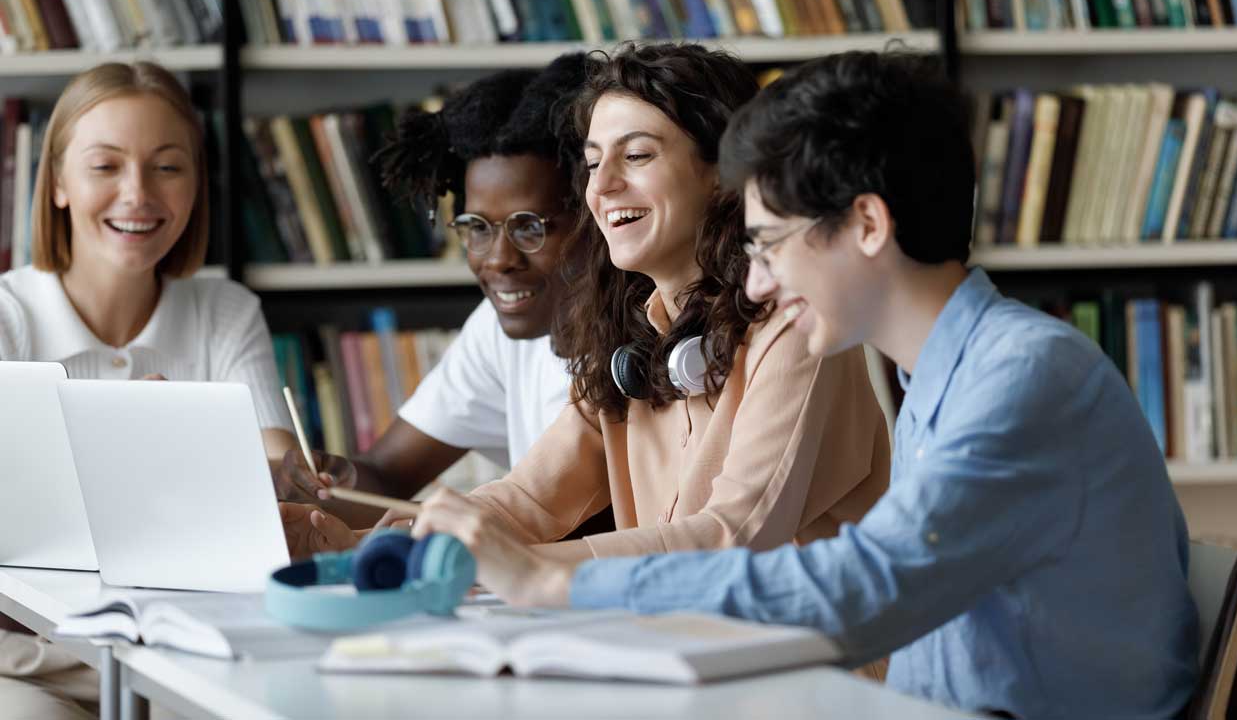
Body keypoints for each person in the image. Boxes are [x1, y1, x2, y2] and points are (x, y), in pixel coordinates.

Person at [407, 51, 1198, 719]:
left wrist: (552, 579)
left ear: (865, 225)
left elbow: (862, 587)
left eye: (770, 244)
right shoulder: (946, 376)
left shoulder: (1021, 377)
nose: (751, 283)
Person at [388, 42, 889, 575]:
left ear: (722, 172)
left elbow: (736, 533)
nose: (602, 187)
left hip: (808, 655)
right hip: (680, 646)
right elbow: (530, 500)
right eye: (593, 162)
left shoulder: (795, 324)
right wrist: (380, 545)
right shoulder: (628, 337)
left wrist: (529, 567)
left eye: (638, 156)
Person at [0, 62, 295, 718]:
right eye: (105, 166)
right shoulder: (7, 316)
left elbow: (273, 459)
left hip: (182, 650)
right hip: (25, 655)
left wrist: (286, 475)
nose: (138, 194)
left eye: (167, 167)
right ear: (57, 185)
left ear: (195, 186)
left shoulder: (224, 310)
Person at [273, 54, 589, 540]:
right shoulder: (497, 326)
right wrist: (334, 481)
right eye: (476, 228)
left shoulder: (638, 341)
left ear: (596, 216)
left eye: (530, 227)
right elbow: (388, 473)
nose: (498, 259)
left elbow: (571, 528)